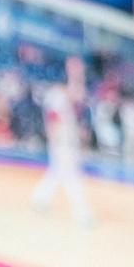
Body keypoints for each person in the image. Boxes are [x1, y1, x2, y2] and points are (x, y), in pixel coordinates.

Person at [28, 55, 95, 226]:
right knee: (73, 176)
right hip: (62, 142)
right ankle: (82, 214)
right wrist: (56, 142)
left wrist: (77, 75)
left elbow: (77, 95)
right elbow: (53, 119)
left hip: (65, 141)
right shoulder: (56, 95)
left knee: (57, 172)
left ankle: (39, 198)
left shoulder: (62, 94)